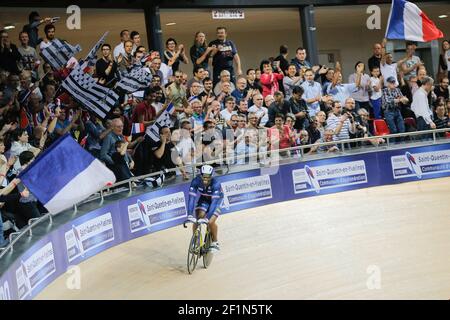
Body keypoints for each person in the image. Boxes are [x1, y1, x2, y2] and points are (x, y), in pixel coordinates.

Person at [187, 164, 223, 252]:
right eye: (204, 177)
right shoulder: (196, 181)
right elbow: (191, 199)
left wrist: (207, 218)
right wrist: (189, 215)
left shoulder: (216, 183)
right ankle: (196, 241)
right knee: (197, 218)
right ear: (200, 175)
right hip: (204, 199)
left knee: (210, 222)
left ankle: (215, 242)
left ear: (212, 176)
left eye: (208, 178)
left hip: (217, 201)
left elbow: (214, 203)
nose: (206, 180)